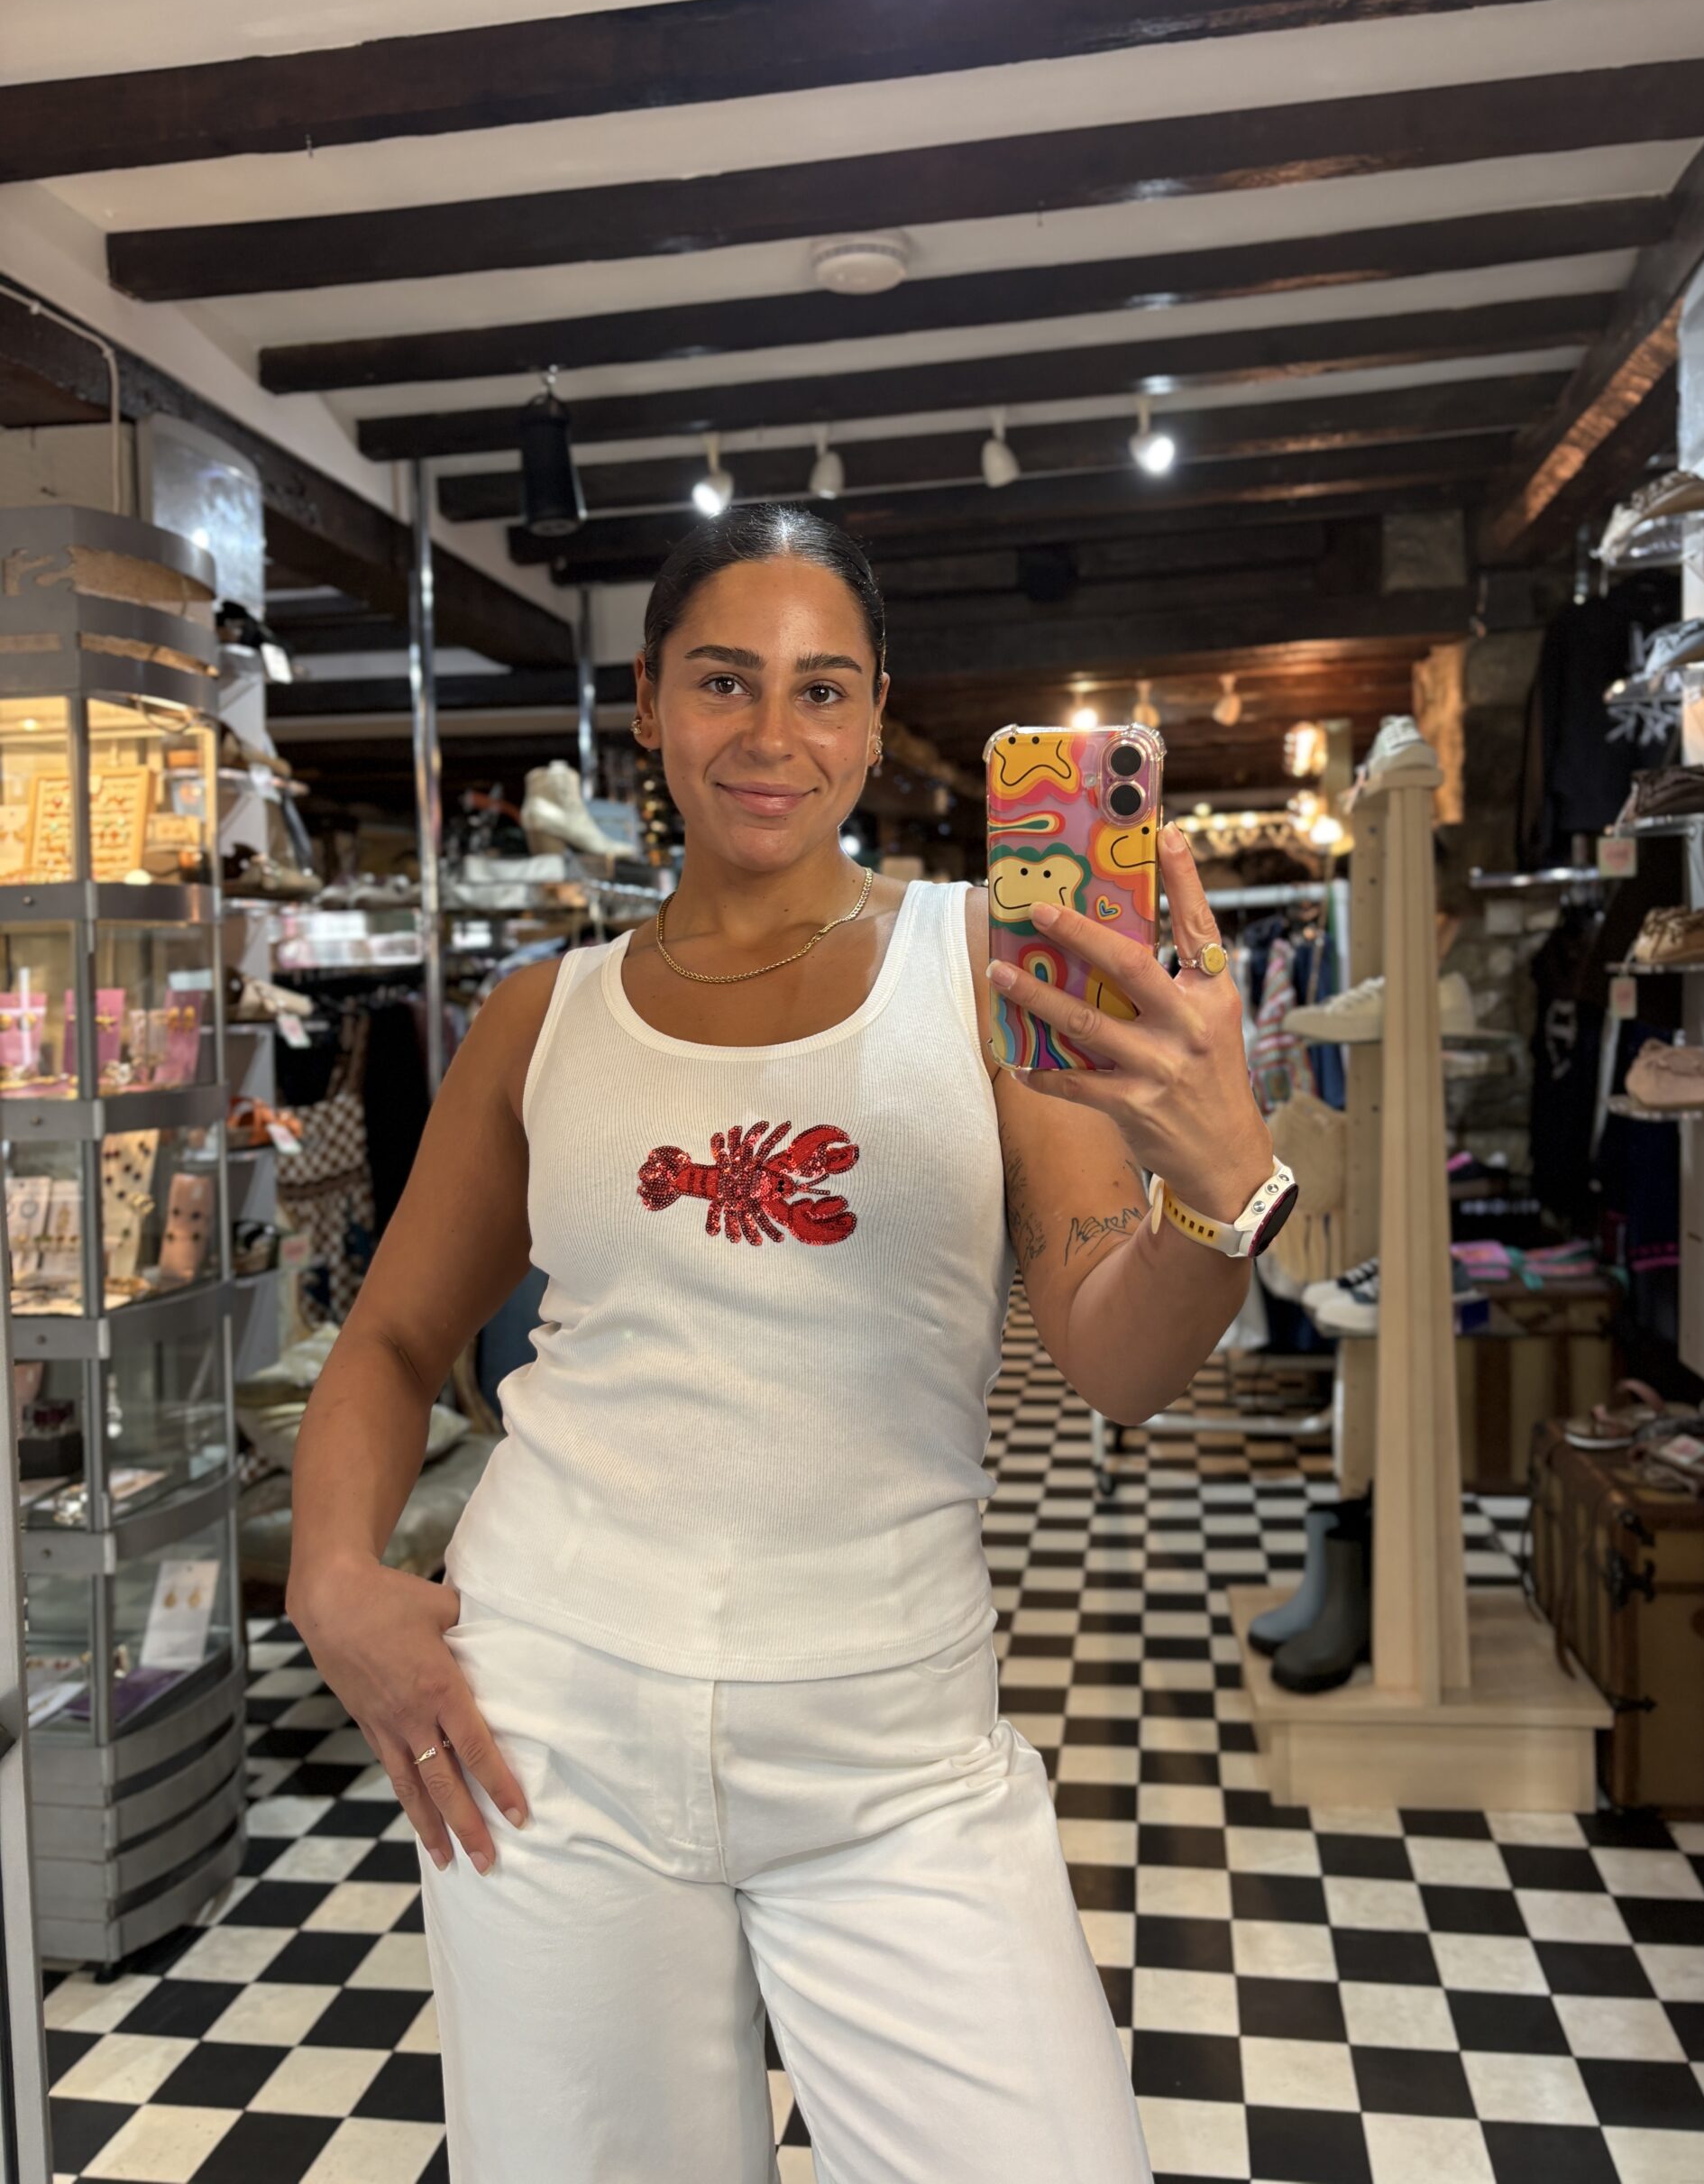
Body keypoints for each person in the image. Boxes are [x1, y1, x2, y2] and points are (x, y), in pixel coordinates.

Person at [286, 505, 1282, 2182]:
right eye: (722, 680)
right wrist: (331, 1576)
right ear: (648, 705)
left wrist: (1220, 1191)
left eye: (822, 689)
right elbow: (388, 1339)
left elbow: (1116, 1362)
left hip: (894, 1749)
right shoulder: (541, 1016)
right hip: (550, 1732)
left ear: (877, 716)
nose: (771, 733)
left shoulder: (991, 969)